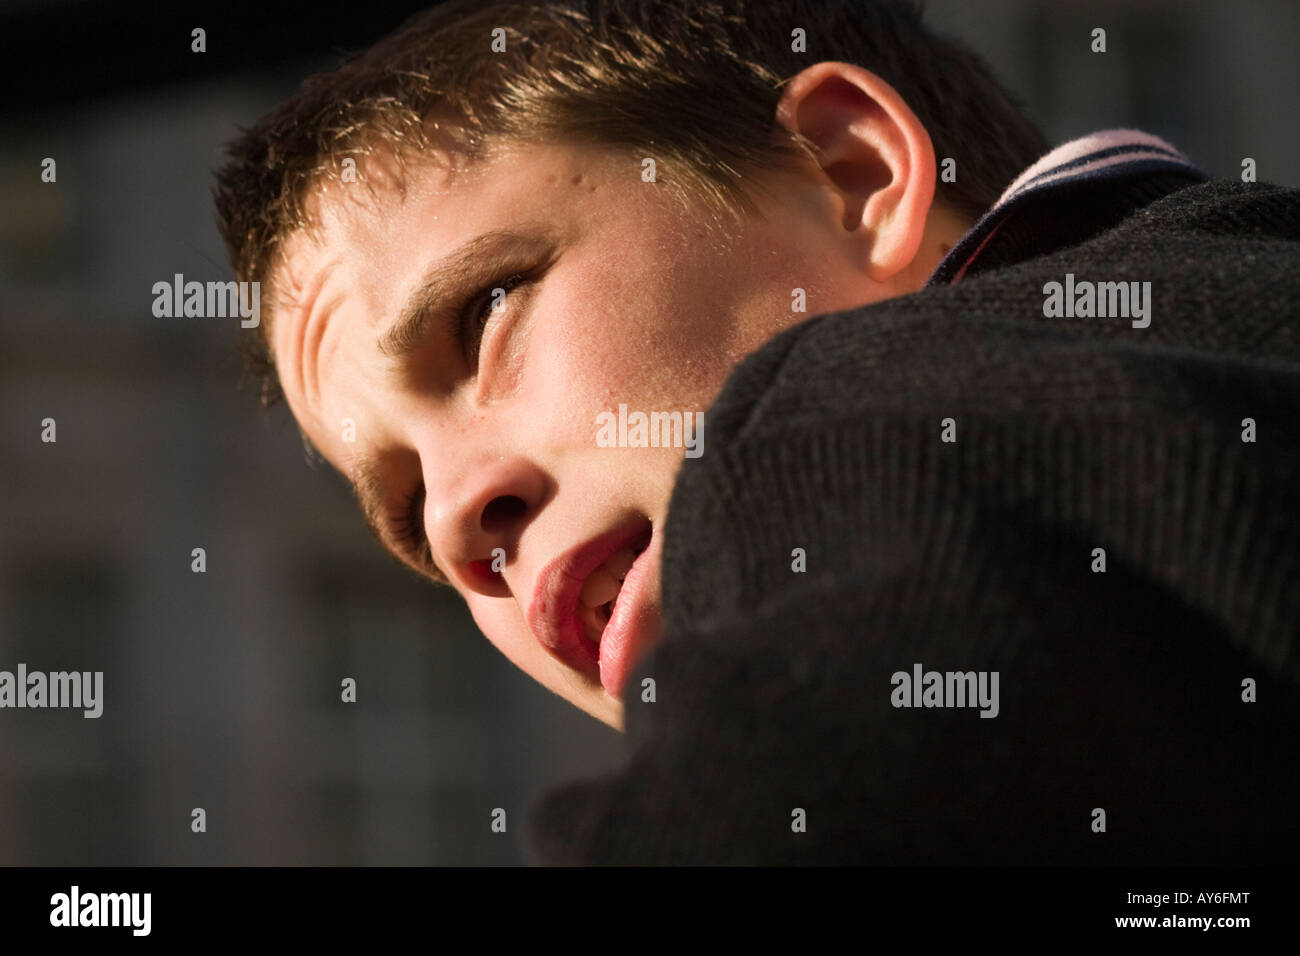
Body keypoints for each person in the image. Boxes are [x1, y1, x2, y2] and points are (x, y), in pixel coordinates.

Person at [214, 0, 1300, 864]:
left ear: (854, 176)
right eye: (402, 510)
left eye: (487, 309)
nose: (456, 523)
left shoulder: (865, 410)